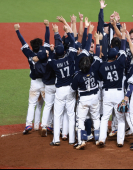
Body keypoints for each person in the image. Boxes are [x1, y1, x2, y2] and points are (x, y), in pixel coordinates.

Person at [48, 16, 77, 146]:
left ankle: (56, 139)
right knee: (71, 115)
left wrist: (55, 34)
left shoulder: (54, 63)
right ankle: (71, 139)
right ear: (65, 51)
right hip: (70, 89)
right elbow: (73, 41)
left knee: (57, 115)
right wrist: (67, 28)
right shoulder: (70, 57)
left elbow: (50, 56)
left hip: (59, 90)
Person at [98, 23, 127, 147]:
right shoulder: (120, 62)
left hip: (107, 93)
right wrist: (124, 35)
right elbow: (123, 50)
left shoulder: (102, 66)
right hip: (119, 93)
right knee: (120, 118)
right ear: (116, 56)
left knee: (105, 117)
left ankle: (101, 139)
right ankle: (120, 141)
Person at [71, 32, 101, 150]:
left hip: (83, 100)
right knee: (96, 118)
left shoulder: (77, 76)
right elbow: (97, 55)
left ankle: (81, 141)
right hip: (95, 98)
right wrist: (97, 40)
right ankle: (98, 139)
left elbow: (73, 88)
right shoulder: (93, 68)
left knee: (80, 120)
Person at [14, 23, 46, 134]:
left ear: (32, 47)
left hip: (34, 84)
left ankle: (29, 125)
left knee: (32, 104)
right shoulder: (44, 54)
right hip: (44, 84)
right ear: (41, 46)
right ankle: (43, 125)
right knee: (46, 105)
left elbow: (23, 43)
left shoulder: (29, 53)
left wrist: (17, 31)